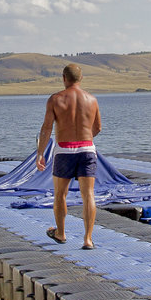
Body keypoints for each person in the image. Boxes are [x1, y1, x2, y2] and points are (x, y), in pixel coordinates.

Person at [36, 63, 102, 249]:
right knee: (88, 194)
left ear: (64, 78)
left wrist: (40, 153)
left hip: (64, 150)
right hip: (87, 150)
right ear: (80, 79)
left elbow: (47, 128)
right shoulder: (92, 99)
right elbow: (97, 128)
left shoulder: (55, 99)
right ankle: (88, 239)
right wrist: (83, 139)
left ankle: (61, 233)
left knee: (60, 194)